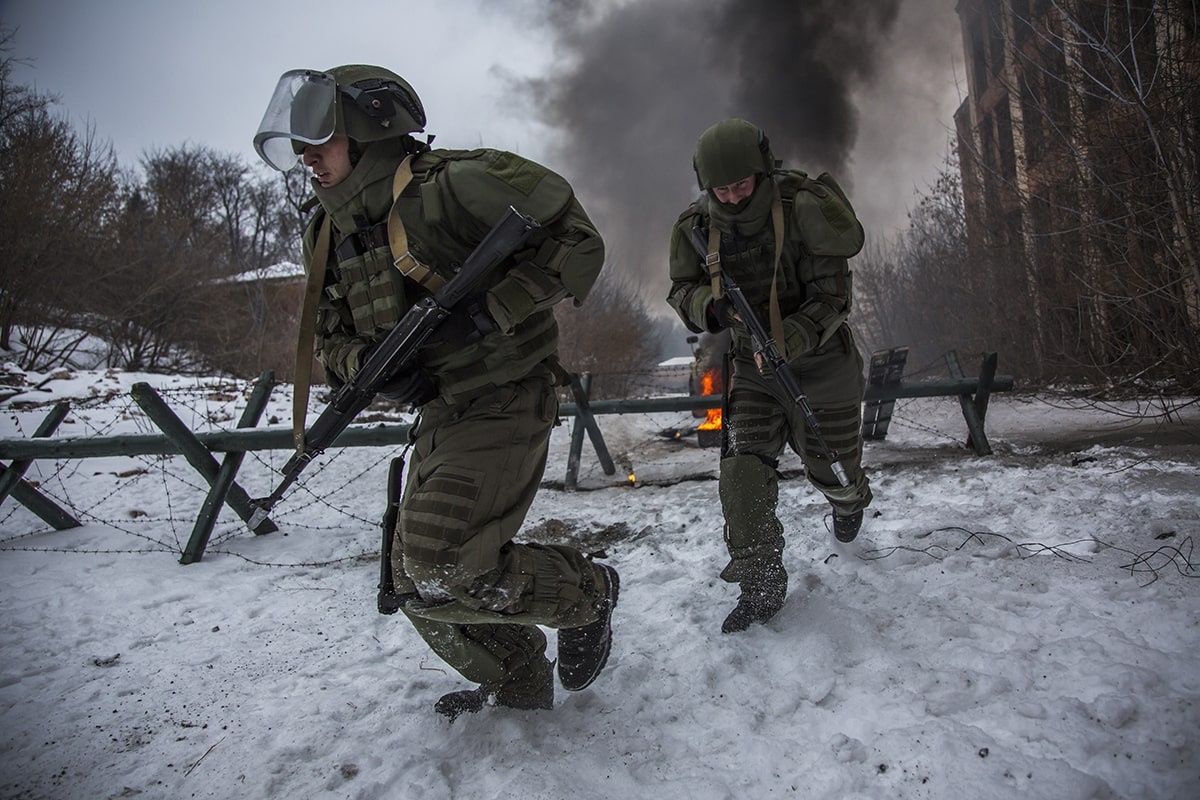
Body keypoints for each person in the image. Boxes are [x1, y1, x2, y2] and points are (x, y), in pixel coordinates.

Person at [253, 65, 618, 718]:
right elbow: (328, 343)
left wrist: (490, 310)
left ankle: (588, 592)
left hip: (506, 395)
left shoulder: (453, 185)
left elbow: (577, 241)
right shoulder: (326, 233)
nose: (308, 156)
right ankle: (519, 681)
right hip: (440, 412)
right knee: (408, 584)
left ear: (369, 127)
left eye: (322, 136)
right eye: (301, 143)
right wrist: (367, 363)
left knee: (442, 562)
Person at [666, 118, 873, 634]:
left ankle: (847, 499)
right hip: (751, 368)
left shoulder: (804, 207)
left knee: (833, 467)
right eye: (721, 189)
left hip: (820, 361)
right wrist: (708, 310)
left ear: (763, 170)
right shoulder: (695, 224)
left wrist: (793, 337)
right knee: (742, 472)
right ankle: (760, 583)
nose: (733, 198)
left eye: (742, 186)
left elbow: (835, 299)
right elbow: (680, 290)